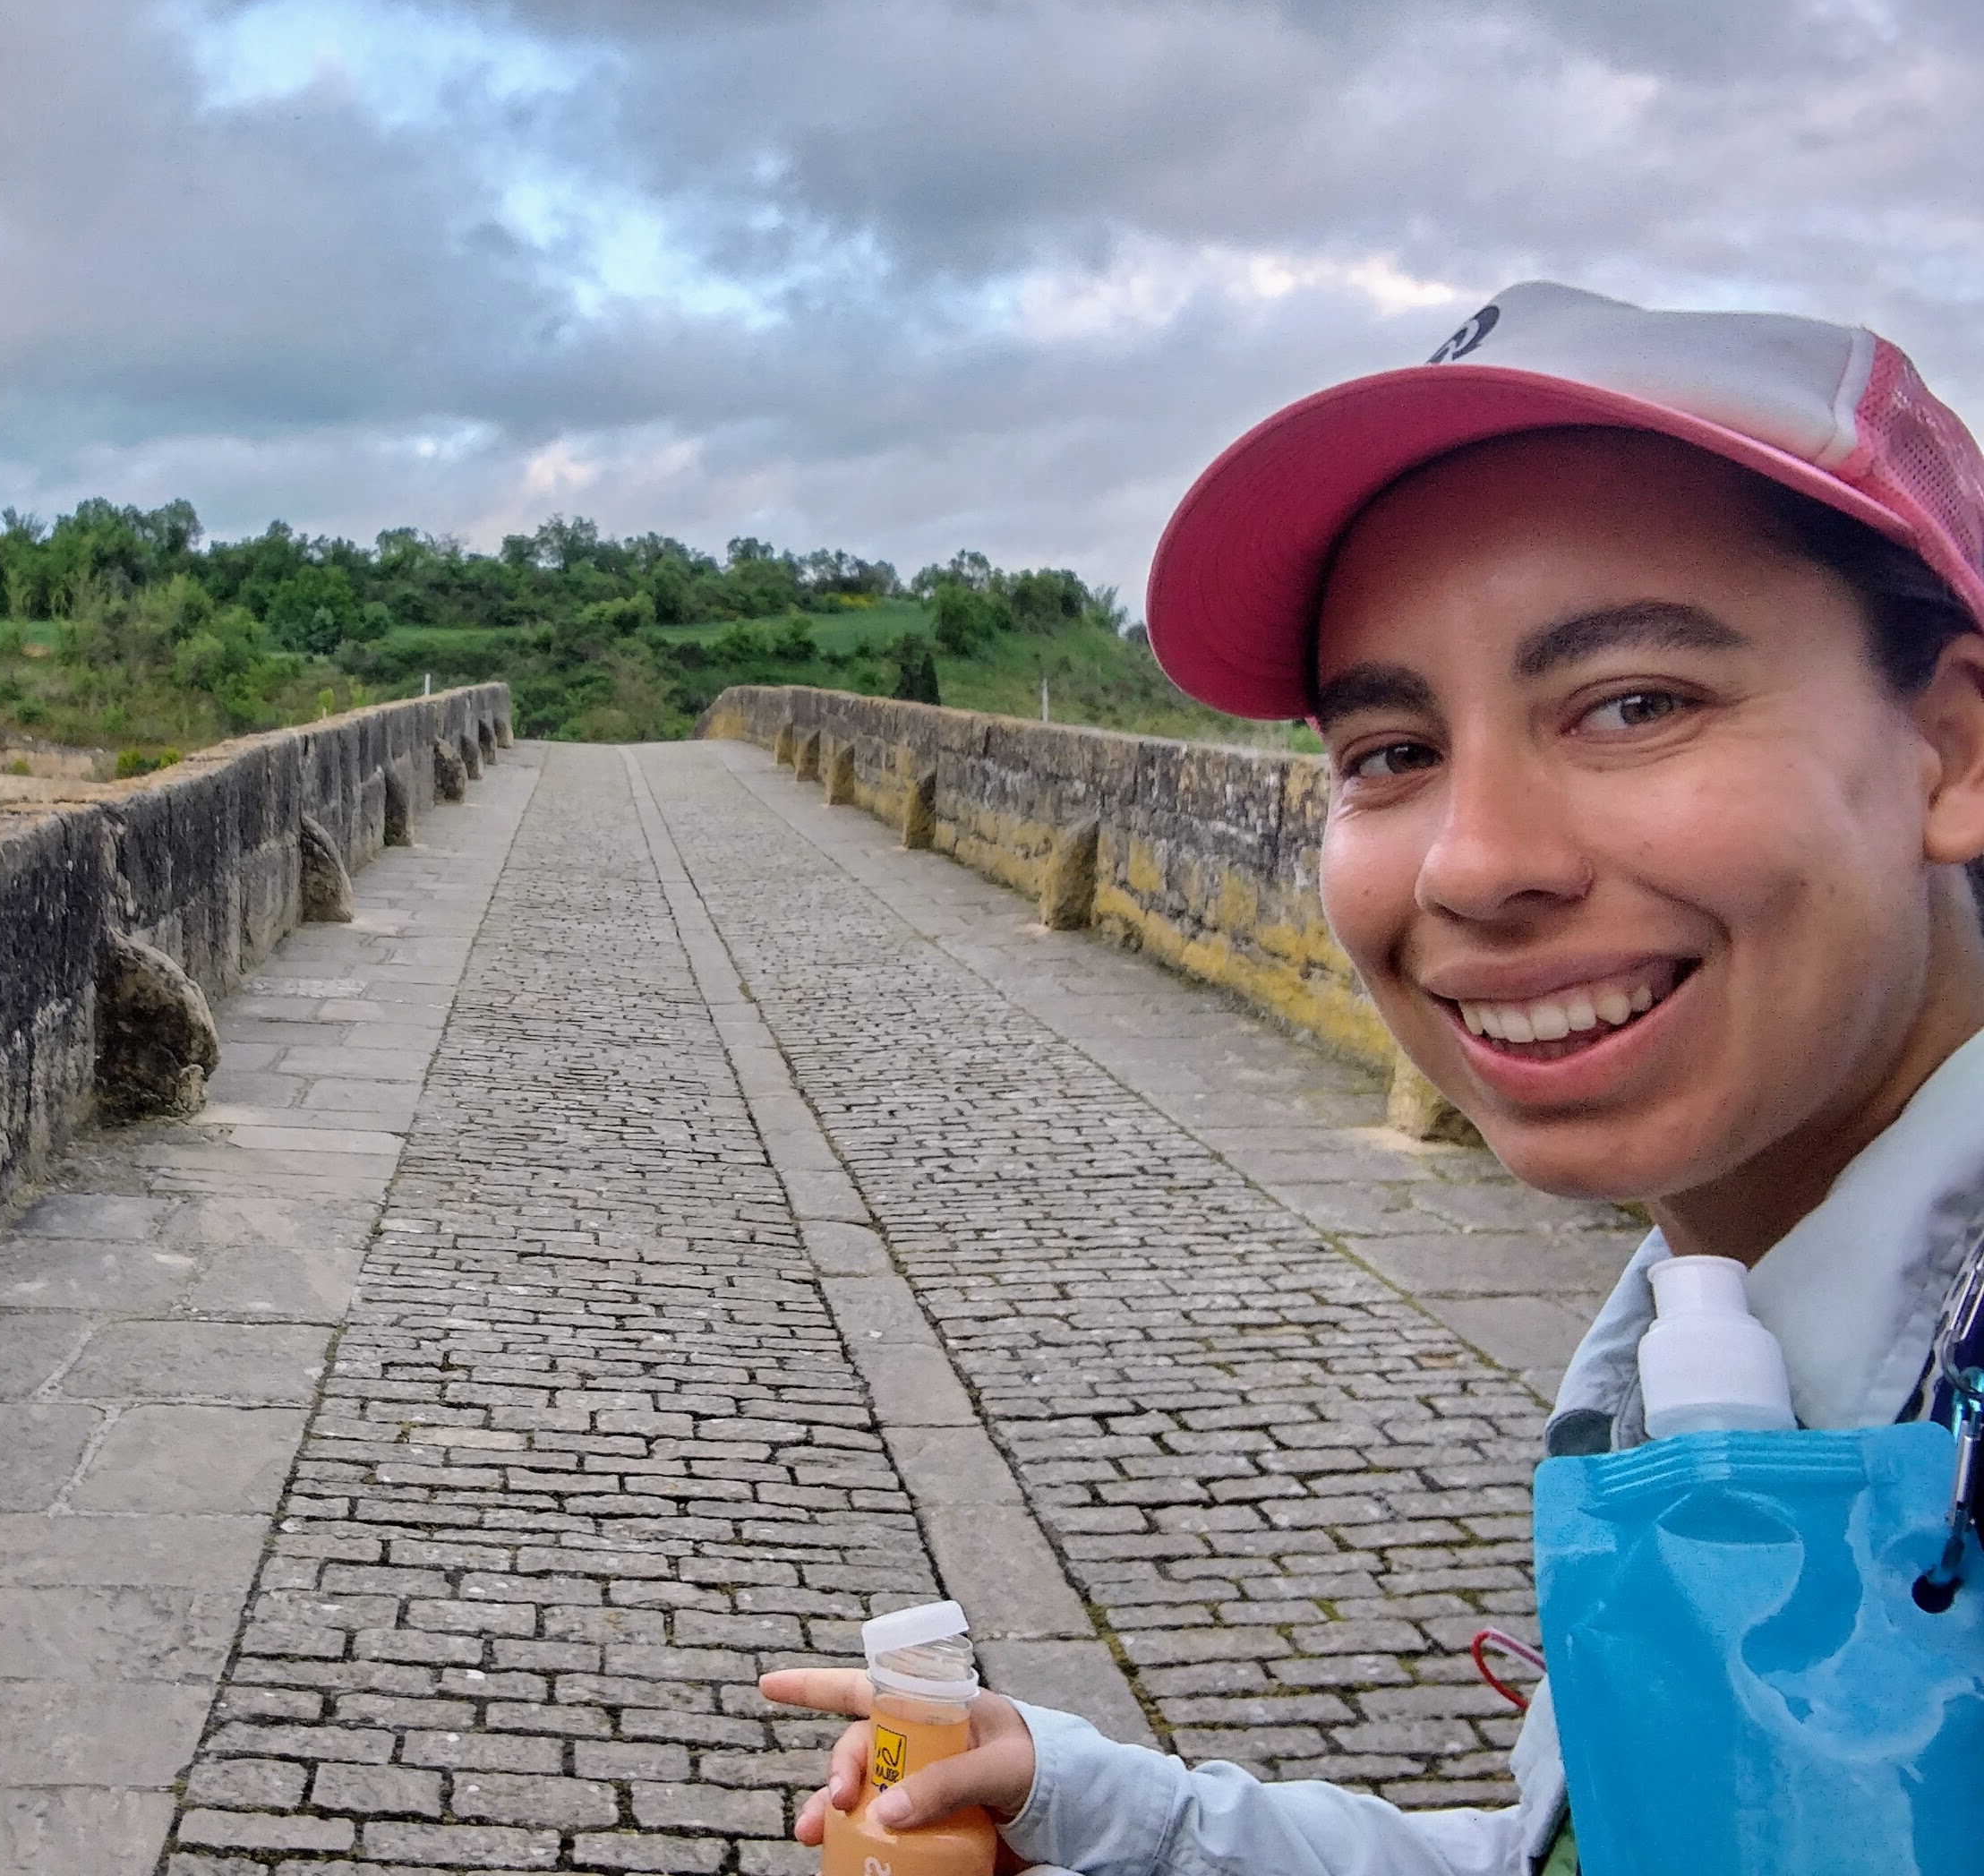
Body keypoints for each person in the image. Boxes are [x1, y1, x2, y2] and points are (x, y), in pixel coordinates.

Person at [763, 281, 1984, 1873]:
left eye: (1632, 704)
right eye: (1393, 751)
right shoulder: (1723, 1307)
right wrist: (1088, 1805)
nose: (1476, 866)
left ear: (1950, 750)